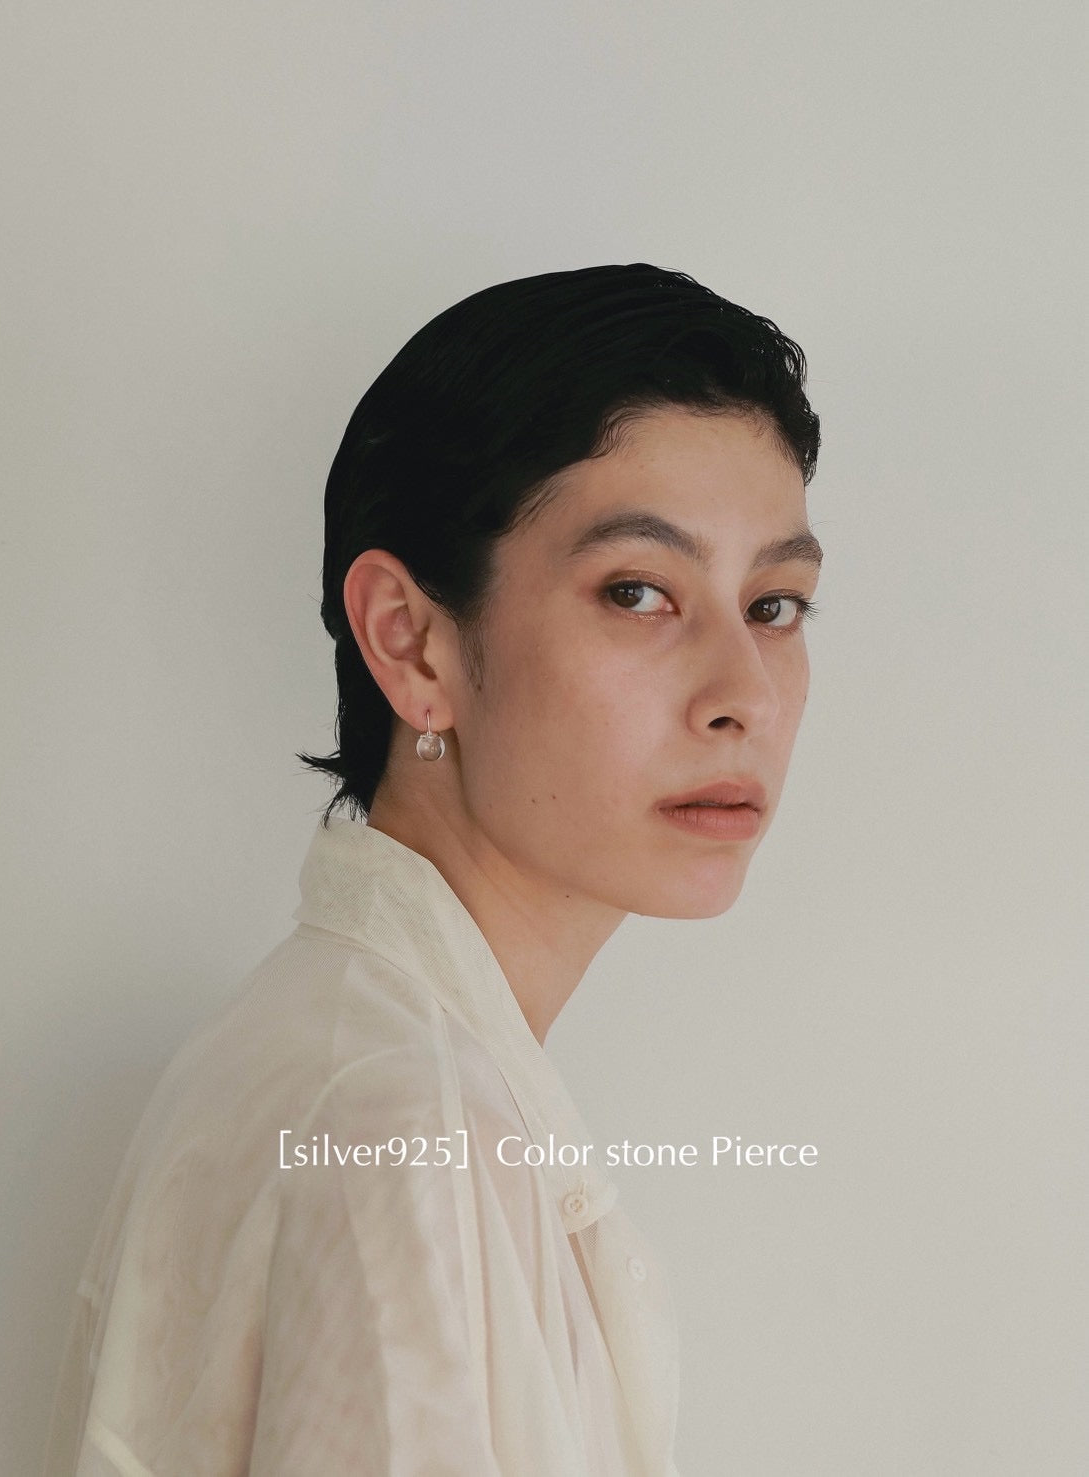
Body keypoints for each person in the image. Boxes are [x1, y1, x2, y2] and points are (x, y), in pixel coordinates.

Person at [44, 262, 822, 1475]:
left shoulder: (361, 1064)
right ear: (410, 643)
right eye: (638, 592)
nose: (744, 695)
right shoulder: (401, 1137)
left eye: (774, 604)